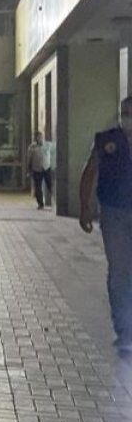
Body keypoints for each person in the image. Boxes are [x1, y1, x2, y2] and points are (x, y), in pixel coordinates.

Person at [79, 96, 132, 356]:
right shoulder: (106, 141)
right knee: (120, 270)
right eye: (125, 113)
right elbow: (89, 172)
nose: (128, 118)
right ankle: (124, 329)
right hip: (114, 212)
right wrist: (85, 207)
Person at [27, 130, 55, 209]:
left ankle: (55, 201)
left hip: (46, 168)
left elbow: (53, 154)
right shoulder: (32, 147)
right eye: (38, 137)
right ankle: (40, 204)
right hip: (37, 169)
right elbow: (29, 159)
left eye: (40, 137)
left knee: (50, 185)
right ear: (35, 138)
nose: (39, 139)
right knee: (38, 187)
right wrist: (29, 169)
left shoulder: (47, 145)